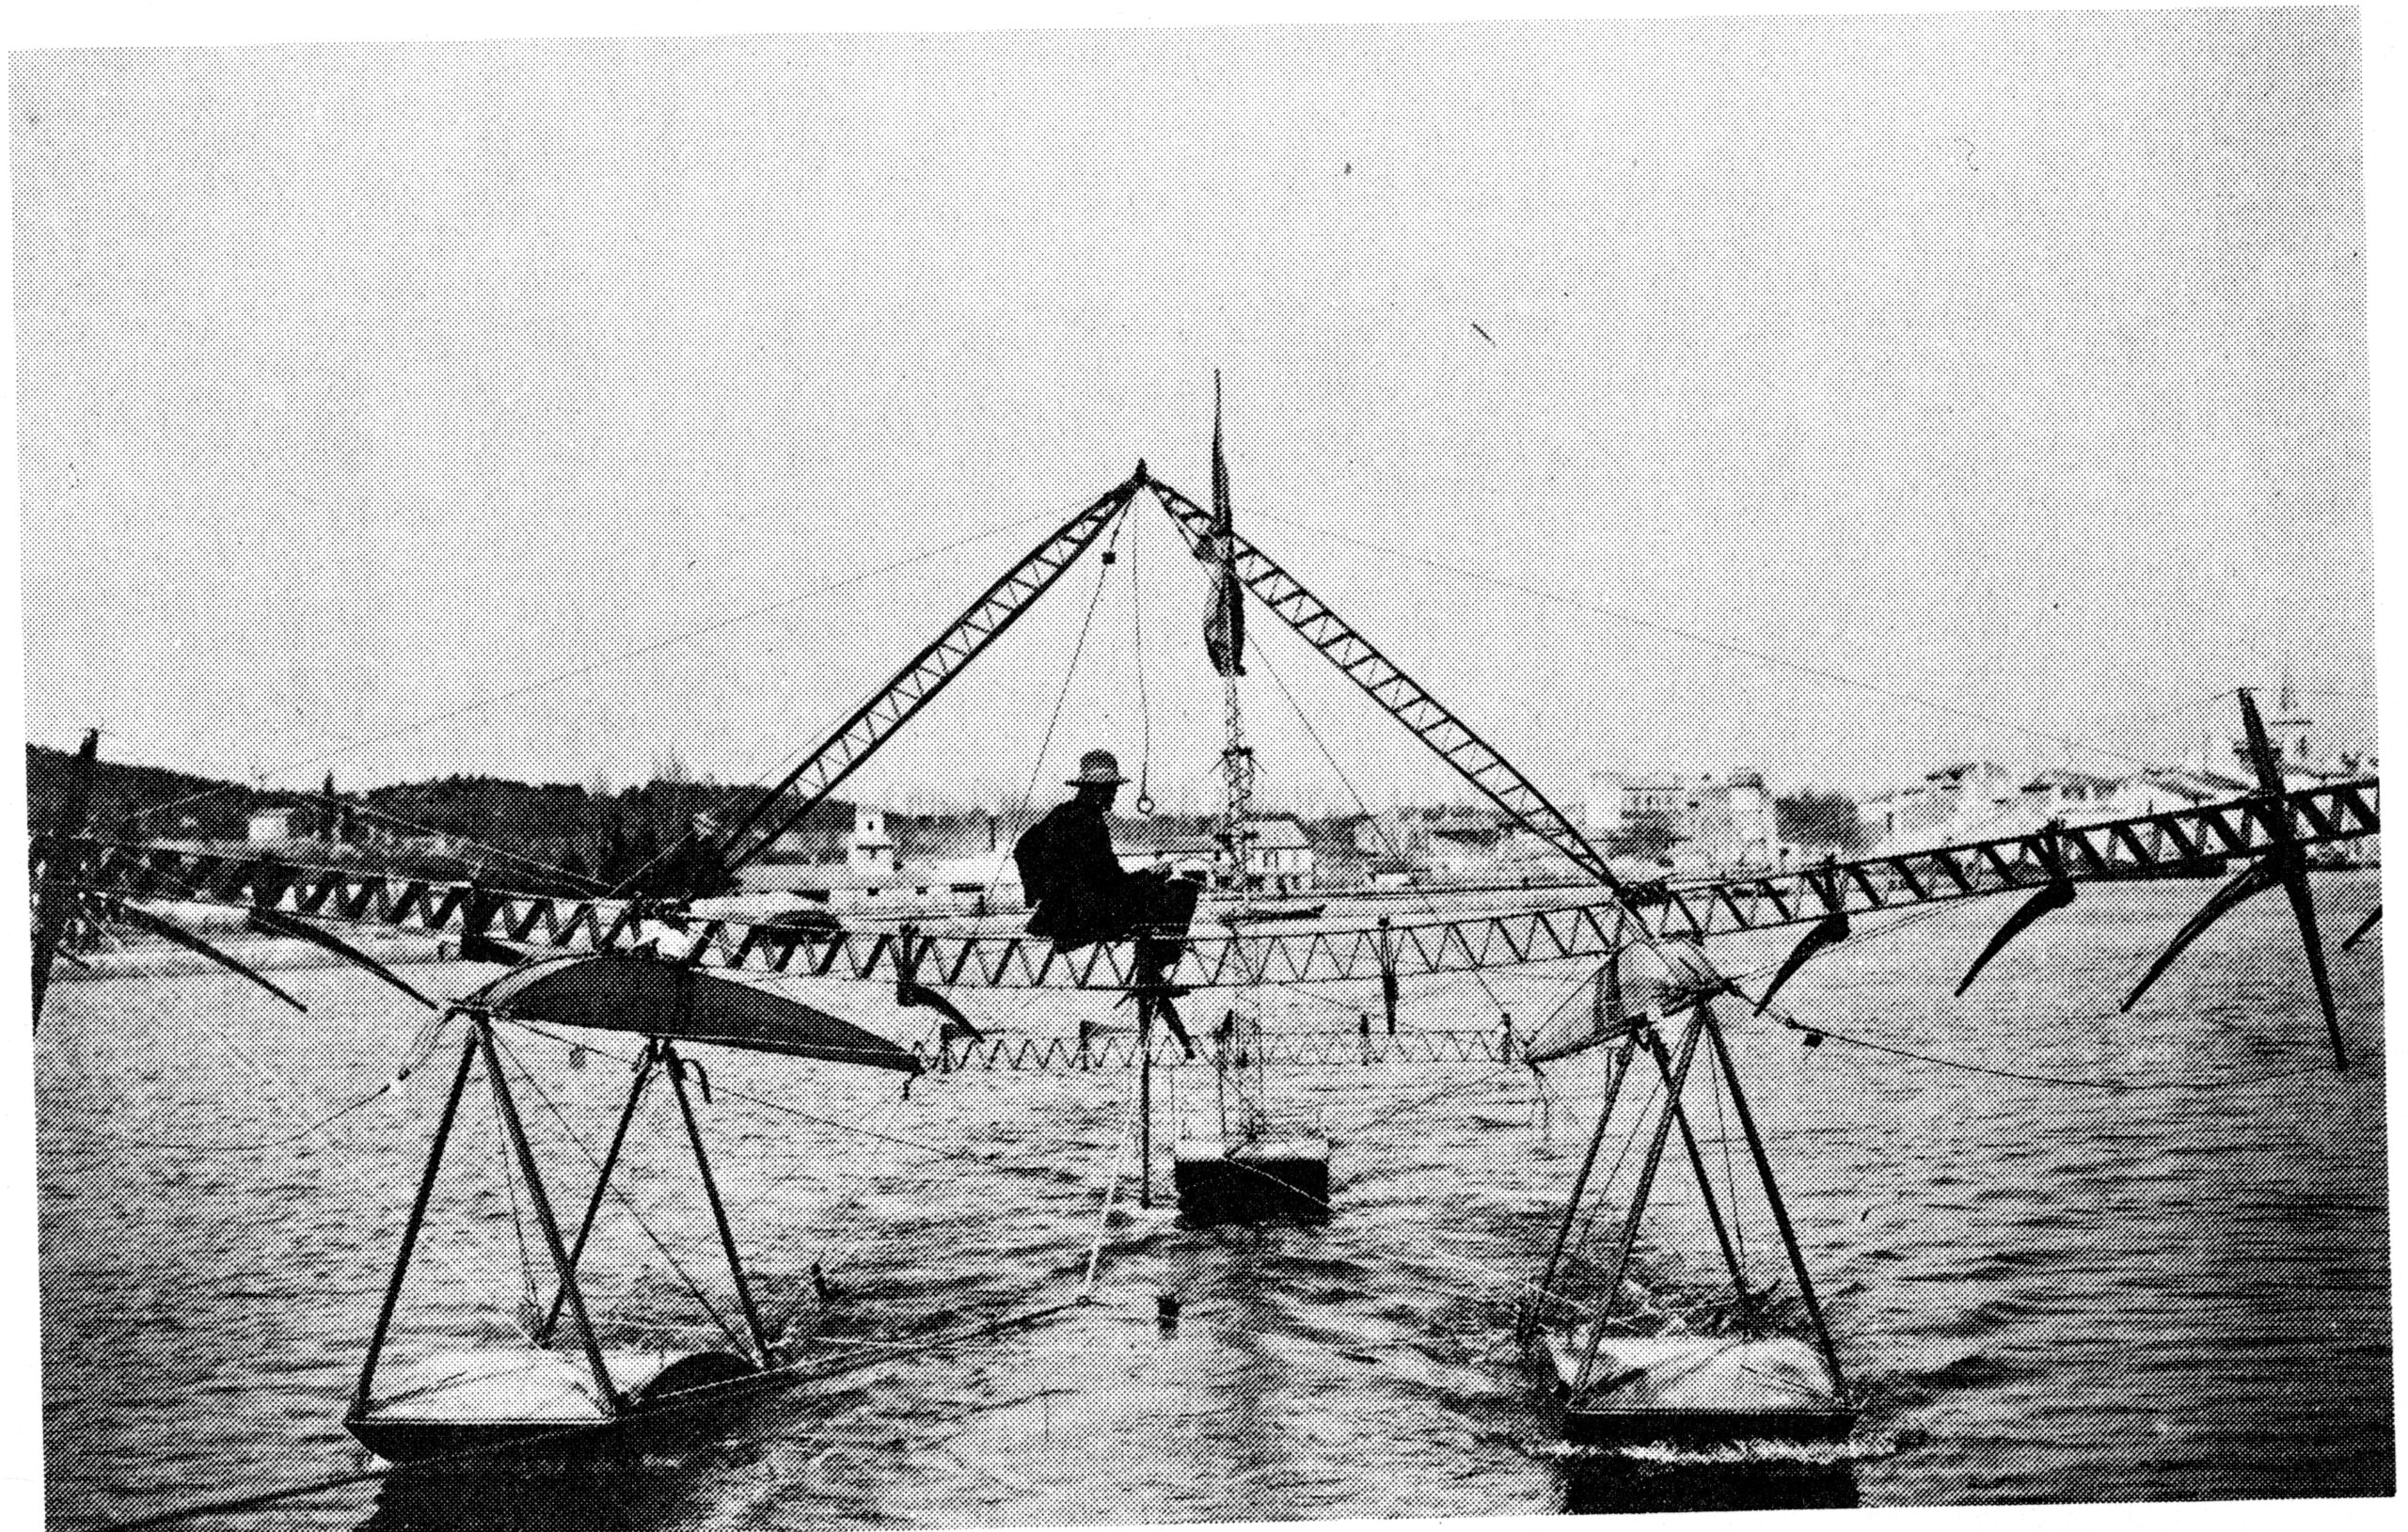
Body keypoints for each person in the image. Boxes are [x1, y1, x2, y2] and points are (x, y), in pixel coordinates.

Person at [1015, 750, 1200, 1051]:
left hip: (1064, 914)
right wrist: (1152, 875)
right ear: (1097, 790)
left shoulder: (1062, 814)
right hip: (1091, 914)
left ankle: (1153, 968)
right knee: (1183, 889)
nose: (1114, 795)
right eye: (1111, 789)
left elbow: (1023, 848)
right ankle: (1155, 969)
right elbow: (1112, 883)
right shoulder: (1090, 824)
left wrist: (1039, 895)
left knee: (1156, 891)